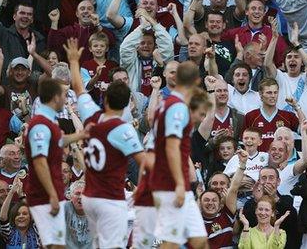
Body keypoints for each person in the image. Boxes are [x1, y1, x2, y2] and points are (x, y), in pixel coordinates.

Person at [66, 36, 147, 248]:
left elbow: (78, 87)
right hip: (110, 200)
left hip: (90, 197)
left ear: (106, 99)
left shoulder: (91, 114)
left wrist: (74, 61)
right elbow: (146, 163)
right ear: (127, 104)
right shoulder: (123, 129)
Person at [148, 61, 209, 249]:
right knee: (171, 243)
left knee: (199, 241)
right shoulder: (177, 108)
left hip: (173, 181)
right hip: (171, 184)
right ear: (197, 80)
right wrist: (180, 184)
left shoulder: (164, 105)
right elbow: (171, 147)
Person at [24, 77, 86, 249]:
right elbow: (39, 162)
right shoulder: (40, 125)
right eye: (65, 95)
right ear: (56, 97)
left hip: (50, 192)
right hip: (44, 194)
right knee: (55, 245)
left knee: (57, 244)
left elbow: (58, 141)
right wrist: (51, 195)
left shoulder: (48, 122)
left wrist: (81, 135)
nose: (67, 99)